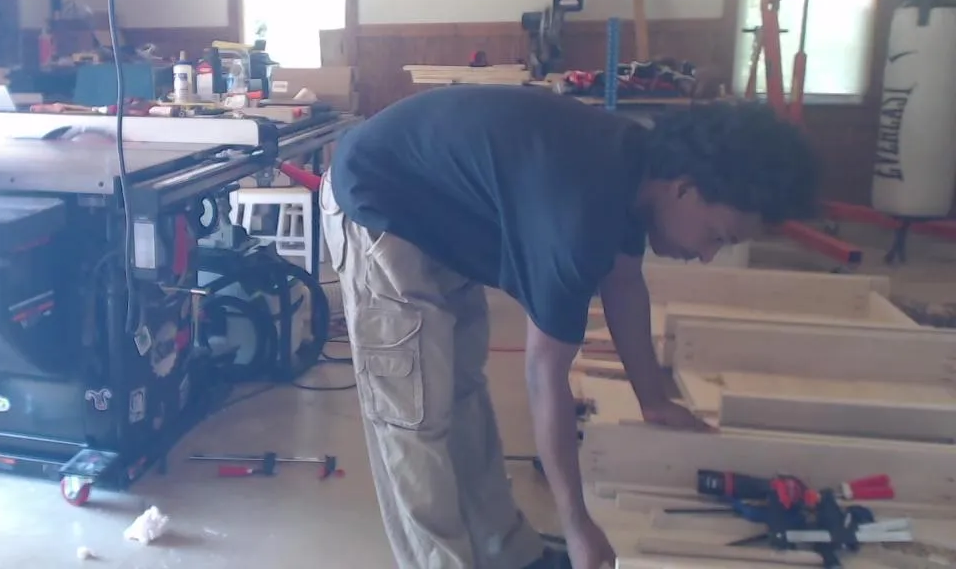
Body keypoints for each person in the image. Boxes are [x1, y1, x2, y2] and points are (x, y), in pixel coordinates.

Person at [320, 85, 820, 569]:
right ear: (685, 189)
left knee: (462, 397)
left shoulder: (637, 168)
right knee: (415, 421)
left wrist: (653, 399)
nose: (708, 255)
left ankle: (508, 556)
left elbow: (624, 282)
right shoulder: (578, 215)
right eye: (717, 236)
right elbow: (545, 377)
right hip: (378, 206)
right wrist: (578, 524)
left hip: (436, 213)